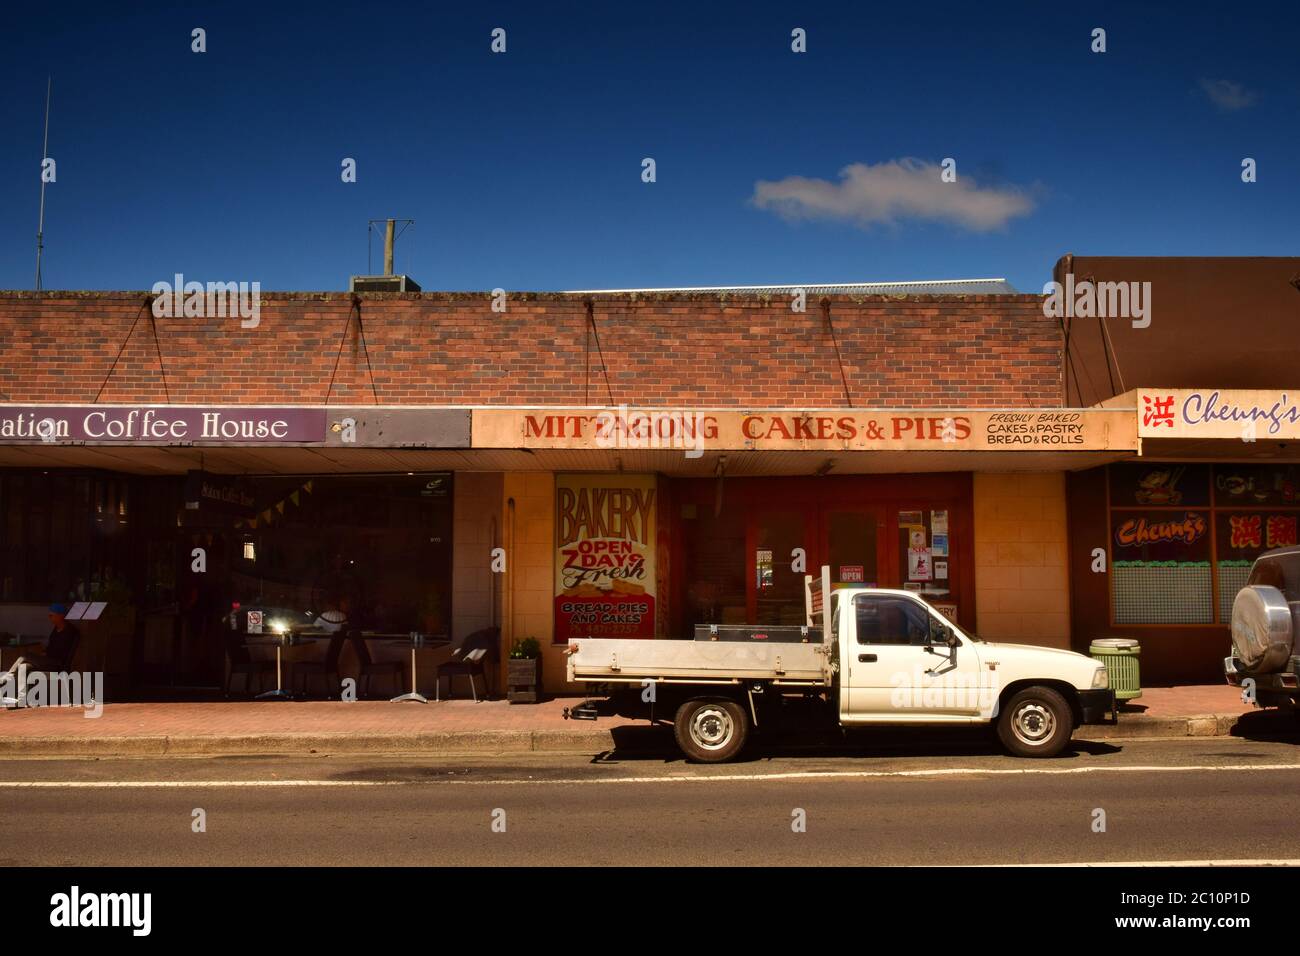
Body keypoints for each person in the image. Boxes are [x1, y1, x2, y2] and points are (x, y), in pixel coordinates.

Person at [8, 604, 80, 674]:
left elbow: (60, 652)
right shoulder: (56, 629)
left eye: (51, 615)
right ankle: (15, 680)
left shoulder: (70, 631)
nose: (49, 618)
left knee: (25, 656)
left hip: (56, 664)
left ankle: (9, 676)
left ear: (60, 616)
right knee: (24, 666)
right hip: (49, 660)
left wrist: (43, 656)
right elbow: (51, 645)